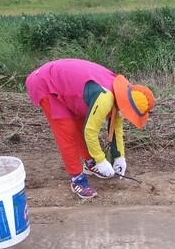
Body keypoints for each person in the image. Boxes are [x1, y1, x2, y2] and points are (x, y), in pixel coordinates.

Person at [25, 58, 155, 199]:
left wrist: (119, 157)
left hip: (72, 91)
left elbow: (116, 126)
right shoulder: (105, 98)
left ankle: (89, 162)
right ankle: (76, 179)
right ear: (127, 106)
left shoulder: (123, 93)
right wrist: (100, 160)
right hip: (47, 83)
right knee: (67, 132)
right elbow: (91, 132)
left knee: (81, 122)